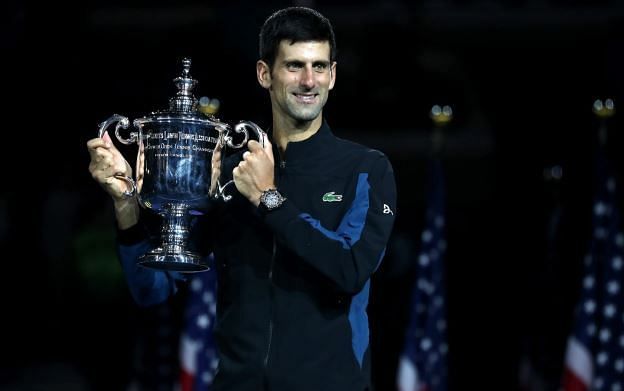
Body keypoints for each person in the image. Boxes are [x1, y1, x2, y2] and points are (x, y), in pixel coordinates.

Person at [87, 6, 397, 391]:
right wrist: (126, 206)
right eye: (294, 66)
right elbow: (152, 289)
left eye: (319, 67)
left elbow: (350, 269)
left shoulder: (366, 169)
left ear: (333, 76)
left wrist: (269, 199)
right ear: (264, 74)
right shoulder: (231, 175)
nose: (308, 81)